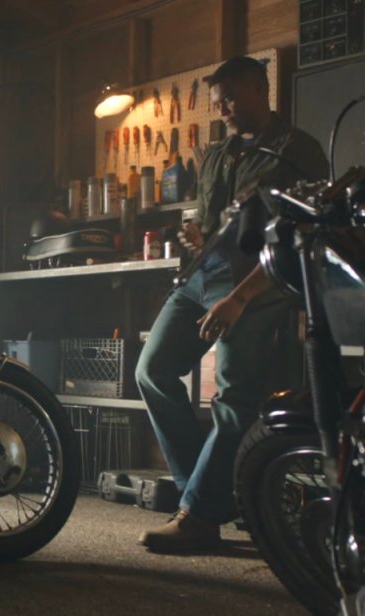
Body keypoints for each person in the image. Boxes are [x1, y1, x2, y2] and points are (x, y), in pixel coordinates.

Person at [134, 56, 328, 553]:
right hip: (203, 276)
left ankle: (199, 514)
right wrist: (198, 235)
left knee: (234, 399)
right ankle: (209, 497)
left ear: (264, 90)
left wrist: (239, 300)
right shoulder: (217, 153)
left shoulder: (298, 151)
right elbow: (213, 218)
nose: (225, 110)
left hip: (256, 285)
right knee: (151, 371)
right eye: (219, 103)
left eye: (234, 99)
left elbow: (296, 241)